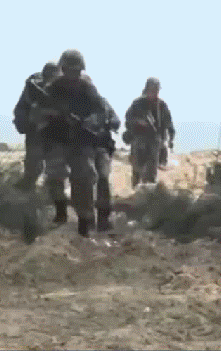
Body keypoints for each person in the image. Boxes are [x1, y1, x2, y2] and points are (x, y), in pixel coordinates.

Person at [35, 49, 107, 237]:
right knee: (55, 176)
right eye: (69, 70)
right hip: (57, 138)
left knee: (84, 176)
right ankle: (60, 213)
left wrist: (89, 122)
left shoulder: (87, 88)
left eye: (76, 71)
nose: (72, 75)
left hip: (80, 138)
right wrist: (53, 115)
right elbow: (37, 113)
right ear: (63, 69)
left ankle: (85, 220)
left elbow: (101, 110)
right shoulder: (52, 88)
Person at [12, 61, 59, 192]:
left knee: (55, 171)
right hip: (35, 131)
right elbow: (21, 112)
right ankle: (25, 194)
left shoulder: (62, 89)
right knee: (33, 170)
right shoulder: (33, 89)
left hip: (53, 134)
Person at [124, 77, 175, 187]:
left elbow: (169, 122)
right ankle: (136, 189)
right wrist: (138, 122)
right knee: (137, 169)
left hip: (154, 140)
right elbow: (128, 119)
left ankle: (149, 191)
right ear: (147, 89)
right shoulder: (137, 104)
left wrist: (171, 138)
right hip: (139, 139)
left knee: (152, 170)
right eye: (152, 90)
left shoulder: (161, 105)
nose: (154, 93)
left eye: (156, 90)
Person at [94, 95, 120, 232]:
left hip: (102, 147)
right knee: (83, 180)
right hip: (81, 148)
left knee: (103, 178)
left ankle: (104, 218)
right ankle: (85, 218)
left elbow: (115, 120)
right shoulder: (74, 102)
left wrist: (110, 122)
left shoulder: (101, 103)